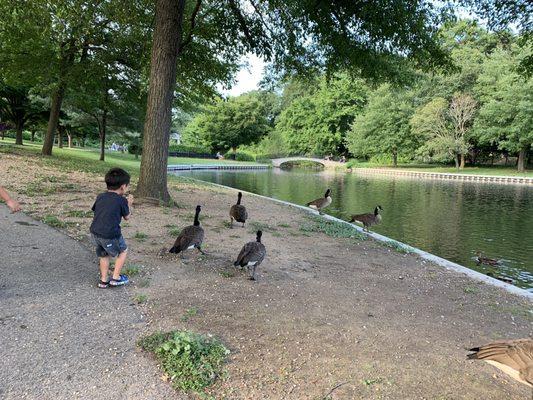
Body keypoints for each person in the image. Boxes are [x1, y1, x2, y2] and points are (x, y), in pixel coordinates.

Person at [90, 168, 133, 288]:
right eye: (128, 186)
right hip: (110, 234)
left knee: (103, 255)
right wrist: (129, 205)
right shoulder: (122, 200)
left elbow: (96, 210)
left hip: (95, 233)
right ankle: (116, 278)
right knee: (123, 250)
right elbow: (127, 217)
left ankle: (103, 280)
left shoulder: (100, 196)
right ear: (123, 187)